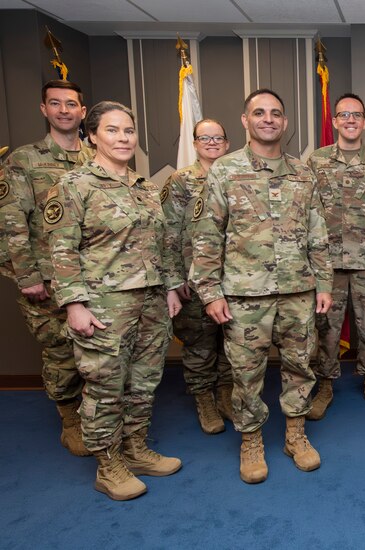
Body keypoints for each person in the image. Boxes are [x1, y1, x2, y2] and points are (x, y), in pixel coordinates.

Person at [190, 89, 333, 484]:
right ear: (245, 120)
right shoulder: (225, 169)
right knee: (246, 373)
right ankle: (251, 440)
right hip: (243, 295)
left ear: (284, 123)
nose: (268, 119)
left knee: (300, 367)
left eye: (275, 113)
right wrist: (210, 292)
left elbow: (317, 234)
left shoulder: (304, 173)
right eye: (259, 113)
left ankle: (295, 435)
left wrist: (324, 284)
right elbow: (206, 235)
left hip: (298, 292)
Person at [46, 101, 183, 501]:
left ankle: (136, 450)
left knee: (143, 383)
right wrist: (74, 304)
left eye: (128, 131)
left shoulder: (145, 188)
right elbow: (62, 250)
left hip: (152, 303)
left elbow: (164, 245)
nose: (122, 138)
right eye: (112, 130)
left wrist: (173, 286)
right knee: (106, 387)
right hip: (103, 306)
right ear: (91, 136)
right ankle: (108, 465)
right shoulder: (75, 186)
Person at [0, 80, 93, 457]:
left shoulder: (96, 159)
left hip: (93, 278)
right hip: (47, 278)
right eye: (55, 104)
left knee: (94, 351)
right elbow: (9, 222)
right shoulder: (24, 160)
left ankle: (95, 415)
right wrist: (27, 276)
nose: (64, 110)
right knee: (60, 351)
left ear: (83, 112)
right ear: (44, 110)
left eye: (71, 104)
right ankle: (70, 420)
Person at [305, 93, 365, 419]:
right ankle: (326, 385)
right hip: (326, 262)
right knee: (327, 327)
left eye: (356, 115)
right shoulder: (316, 161)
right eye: (343, 115)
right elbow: (304, 212)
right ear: (334, 121)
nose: (350, 120)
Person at [162, 119, 233, 434]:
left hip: (234, 277)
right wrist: (175, 280)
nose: (212, 142)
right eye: (205, 137)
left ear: (227, 143)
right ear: (194, 142)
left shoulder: (236, 175)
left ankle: (226, 394)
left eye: (218, 137)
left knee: (231, 341)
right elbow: (167, 232)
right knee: (200, 342)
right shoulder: (181, 180)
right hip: (193, 279)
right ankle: (205, 399)